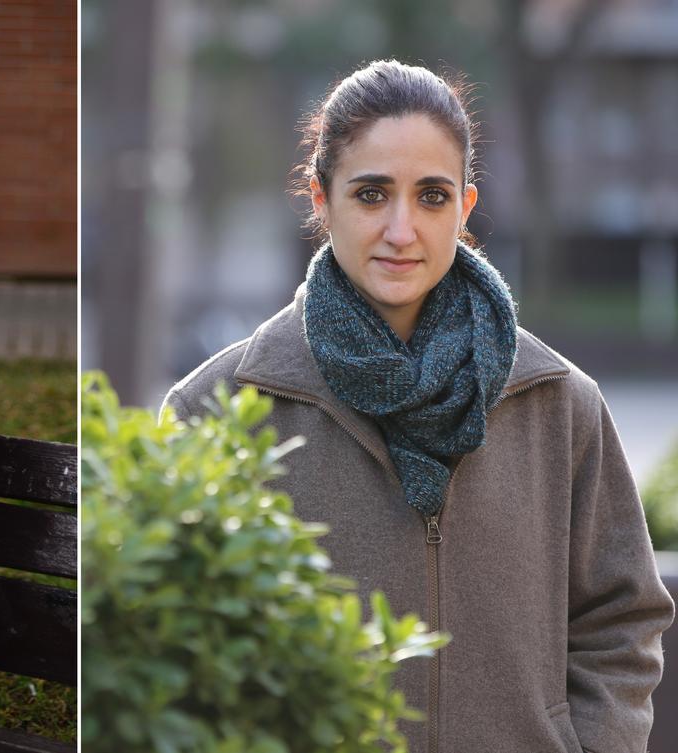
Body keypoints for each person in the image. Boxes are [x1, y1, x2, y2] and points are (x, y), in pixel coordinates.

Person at [163, 60, 673, 752]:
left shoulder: (560, 403)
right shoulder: (217, 409)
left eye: (431, 196)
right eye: (372, 194)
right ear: (321, 199)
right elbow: (174, 652)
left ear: (464, 208)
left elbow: (621, 619)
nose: (402, 229)